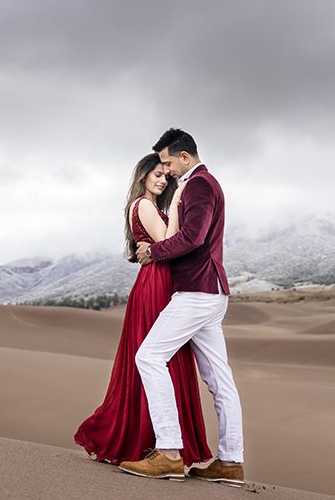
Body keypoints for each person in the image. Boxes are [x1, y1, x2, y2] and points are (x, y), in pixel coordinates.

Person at [119, 128, 245, 486]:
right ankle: (231, 462)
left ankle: (170, 454)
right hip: (210, 292)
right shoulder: (202, 184)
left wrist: (153, 252)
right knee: (220, 379)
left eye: (168, 162)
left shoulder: (200, 185)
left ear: (184, 157)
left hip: (196, 292)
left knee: (148, 357)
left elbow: (194, 237)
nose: (167, 169)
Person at [73, 153, 212, 470]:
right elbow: (168, 241)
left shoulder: (146, 206)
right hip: (157, 284)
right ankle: (157, 446)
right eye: (158, 174)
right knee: (160, 358)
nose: (163, 180)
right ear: (143, 175)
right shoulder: (145, 205)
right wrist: (178, 204)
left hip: (159, 281)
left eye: (167, 176)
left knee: (161, 359)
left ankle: (163, 444)